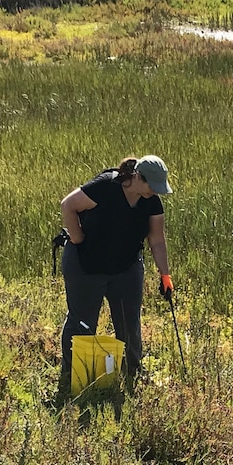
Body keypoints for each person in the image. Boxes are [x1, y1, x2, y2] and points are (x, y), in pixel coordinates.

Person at [58, 155, 174, 395]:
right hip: (86, 265)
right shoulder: (105, 187)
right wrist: (77, 238)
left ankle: (133, 371)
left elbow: (157, 240)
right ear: (138, 178)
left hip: (126, 267)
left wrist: (165, 275)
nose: (156, 192)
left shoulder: (151, 201)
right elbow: (68, 205)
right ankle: (73, 376)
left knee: (128, 320)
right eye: (153, 186)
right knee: (82, 321)